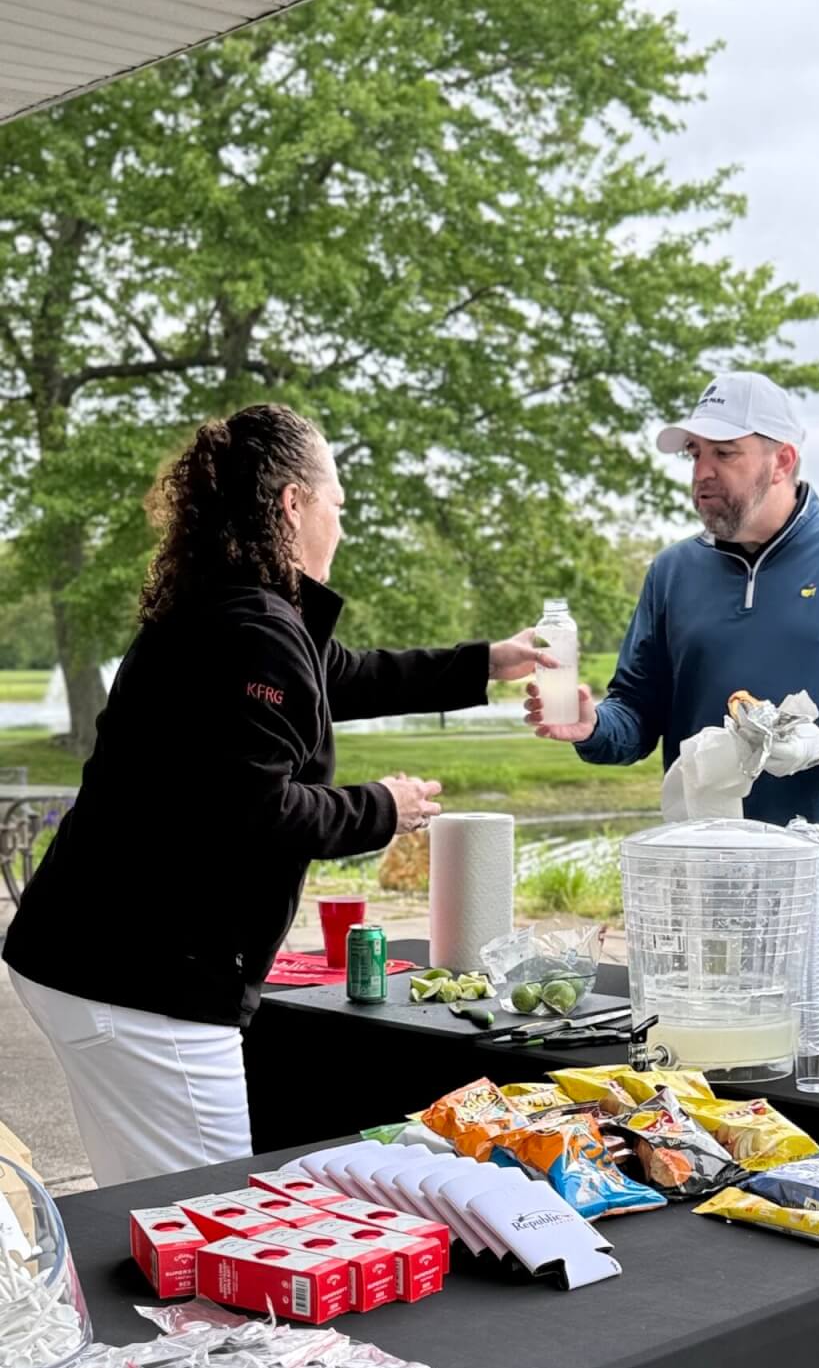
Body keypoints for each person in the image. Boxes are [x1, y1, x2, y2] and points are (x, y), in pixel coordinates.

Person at [4, 403, 547, 1186]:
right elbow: (257, 810)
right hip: (147, 978)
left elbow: (342, 675)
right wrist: (384, 807)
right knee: (216, 1214)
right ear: (293, 503)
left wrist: (484, 663)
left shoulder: (228, 606)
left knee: (144, 1207)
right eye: (337, 507)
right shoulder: (252, 628)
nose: (341, 528)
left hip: (83, 950)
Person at [526, 371, 819, 829]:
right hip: (702, 855)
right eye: (695, 453)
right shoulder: (672, 570)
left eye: (724, 453)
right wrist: (593, 726)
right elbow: (636, 714)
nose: (701, 473)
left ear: (782, 461)